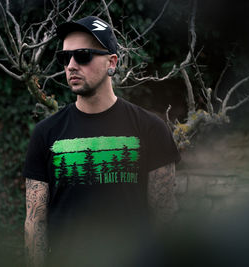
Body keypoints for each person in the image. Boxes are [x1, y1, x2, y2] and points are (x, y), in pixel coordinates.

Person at [23, 16, 181, 267]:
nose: (71, 65)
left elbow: (165, 218)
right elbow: (35, 221)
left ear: (112, 62)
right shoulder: (46, 133)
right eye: (65, 58)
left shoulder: (151, 129)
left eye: (83, 55)